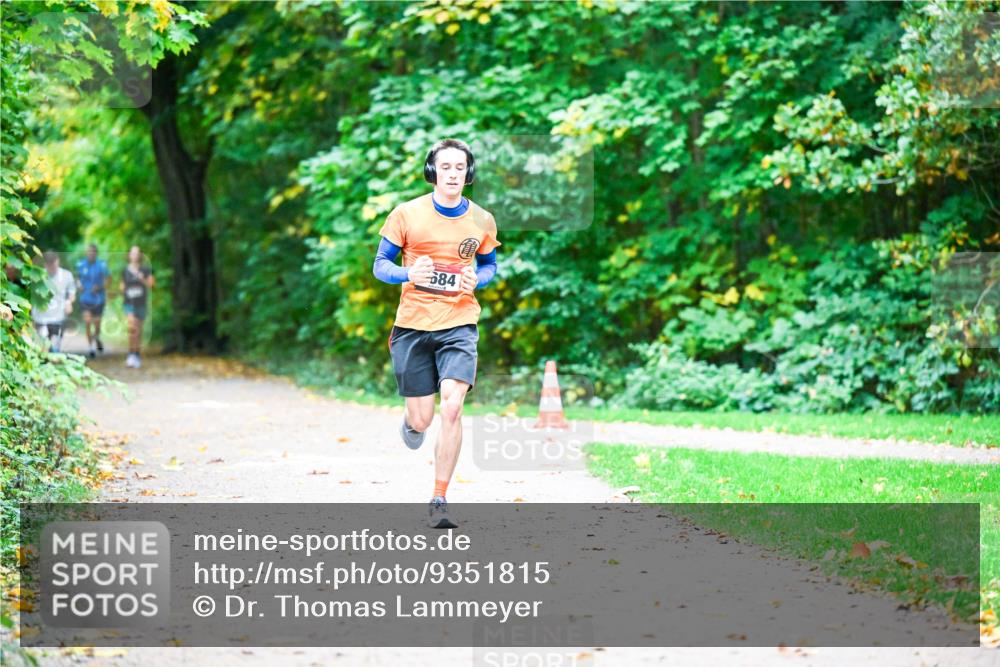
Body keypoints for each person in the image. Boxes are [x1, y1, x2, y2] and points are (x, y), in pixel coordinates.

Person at [373, 138, 500, 529]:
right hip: (413, 325)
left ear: (469, 172)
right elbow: (380, 266)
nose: (453, 174)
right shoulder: (406, 214)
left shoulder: (482, 219)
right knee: (423, 419)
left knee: (453, 405)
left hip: (459, 323)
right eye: (445, 167)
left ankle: (439, 498)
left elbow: (490, 266)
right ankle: (412, 422)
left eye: (460, 167)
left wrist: (477, 279)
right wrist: (408, 273)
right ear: (433, 171)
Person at [33, 251, 76, 353]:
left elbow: (72, 293)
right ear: (45, 264)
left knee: (55, 348)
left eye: (54, 264)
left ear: (58, 262)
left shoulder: (67, 275)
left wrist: (69, 303)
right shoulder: (38, 275)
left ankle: (54, 356)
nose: (52, 268)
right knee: (42, 348)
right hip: (41, 317)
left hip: (58, 317)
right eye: (49, 265)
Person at [120, 245, 154, 368]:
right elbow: (121, 287)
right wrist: (123, 290)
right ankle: (131, 354)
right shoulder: (125, 271)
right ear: (129, 255)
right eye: (132, 253)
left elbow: (151, 285)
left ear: (140, 256)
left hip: (141, 303)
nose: (134, 255)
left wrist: (142, 279)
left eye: (137, 253)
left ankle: (137, 355)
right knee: (132, 328)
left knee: (138, 331)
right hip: (129, 303)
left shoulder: (146, 270)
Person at [76, 243, 110, 358]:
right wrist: (79, 285)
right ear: (86, 253)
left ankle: (97, 337)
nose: (91, 254)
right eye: (89, 252)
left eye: (93, 252)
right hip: (85, 299)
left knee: (97, 324)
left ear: (96, 253)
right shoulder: (81, 264)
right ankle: (91, 347)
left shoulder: (102, 265)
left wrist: (100, 287)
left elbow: (108, 280)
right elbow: (77, 278)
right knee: (87, 322)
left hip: (99, 300)